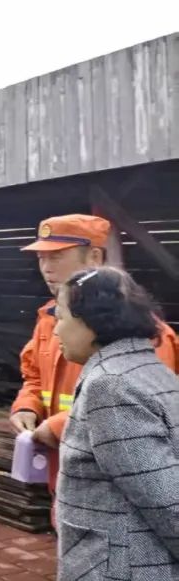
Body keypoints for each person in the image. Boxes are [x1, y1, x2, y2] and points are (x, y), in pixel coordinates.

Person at [41, 267, 179, 581]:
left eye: (62, 316)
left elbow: (168, 503)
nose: (55, 329)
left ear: (92, 322)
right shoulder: (151, 370)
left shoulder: (111, 388)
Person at [11, 215, 178, 520]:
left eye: (56, 257)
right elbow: (33, 373)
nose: (46, 268)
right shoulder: (48, 320)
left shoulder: (143, 333)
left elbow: (143, 410)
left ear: (95, 257)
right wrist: (27, 406)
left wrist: (57, 427)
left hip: (112, 495)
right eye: (41, 258)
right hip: (68, 479)